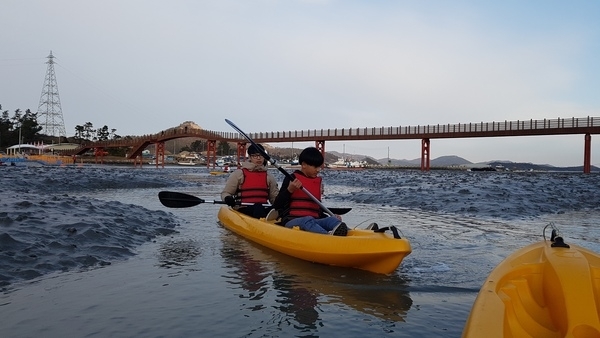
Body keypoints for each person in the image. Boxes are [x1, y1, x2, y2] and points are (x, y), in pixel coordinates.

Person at [272, 147, 348, 236]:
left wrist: (332, 217)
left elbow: (317, 209)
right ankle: (327, 237)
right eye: (315, 167)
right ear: (304, 165)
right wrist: (289, 190)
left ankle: (338, 232)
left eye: (319, 167)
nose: (318, 170)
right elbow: (277, 205)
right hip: (292, 220)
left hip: (314, 220)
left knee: (333, 220)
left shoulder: (318, 182)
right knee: (307, 220)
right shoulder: (291, 179)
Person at [221, 144, 279, 218]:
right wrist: (227, 198)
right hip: (243, 209)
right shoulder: (239, 174)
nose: (259, 158)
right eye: (255, 156)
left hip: (262, 209)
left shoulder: (269, 176)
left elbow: (274, 198)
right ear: (250, 157)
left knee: (264, 208)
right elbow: (226, 192)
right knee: (257, 207)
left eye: (261, 155)